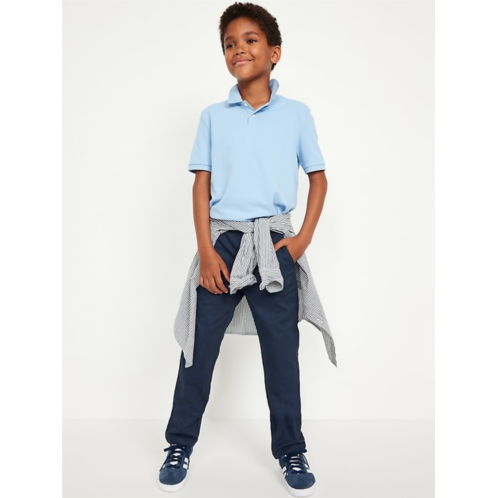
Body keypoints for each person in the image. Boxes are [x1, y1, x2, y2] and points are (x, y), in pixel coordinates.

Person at [158, 2, 336, 496]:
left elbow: (319, 179)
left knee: (282, 352)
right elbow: (201, 185)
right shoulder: (213, 117)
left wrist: (300, 241)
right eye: (229, 43)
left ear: (274, 52)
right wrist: (206, 250)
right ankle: (179, 443)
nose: (239, 49)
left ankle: (291, 449)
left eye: (251, 40)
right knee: (198, 349)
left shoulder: (296, 114)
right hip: (224, 242)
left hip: (274, 245)